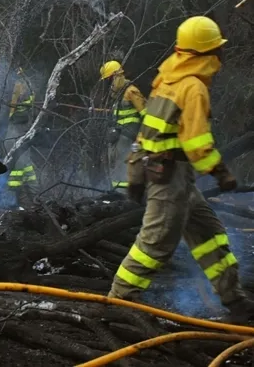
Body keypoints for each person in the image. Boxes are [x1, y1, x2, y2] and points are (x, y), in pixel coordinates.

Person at [109, 16, 254, 317]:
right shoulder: (193, 87)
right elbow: (197, 142)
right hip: (170, 180)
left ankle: (234, 300)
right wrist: (221, 173)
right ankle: (118, 301)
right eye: (217, 49)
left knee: (210, 234)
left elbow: (145, 134)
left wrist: (135, 175)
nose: (221, 54)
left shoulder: (166, 81)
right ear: (206, 53)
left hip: (176, 178)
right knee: (155, 244)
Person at [100, 60, 147, 190]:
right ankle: (117, 191)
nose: (109, 84)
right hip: (118, 135)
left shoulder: (131, 91)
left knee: (123, 166)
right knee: (114, 164)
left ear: (116, 76)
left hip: (128, 136)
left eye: (109, 80)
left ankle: (126, 193)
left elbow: (146, 115)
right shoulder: (117, 95)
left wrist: (141, 137)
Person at [5, 79, 38, 208]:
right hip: (16, 132)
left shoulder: (23, 90)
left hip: (21, 132)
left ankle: (32, 198)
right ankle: (21, 198)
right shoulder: (15, 91)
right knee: (21, 166)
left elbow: (22, 114)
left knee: (24, 166)